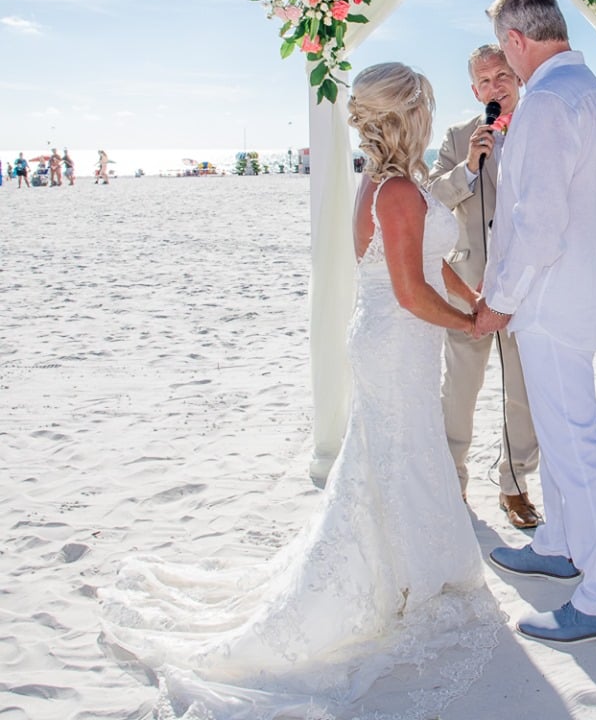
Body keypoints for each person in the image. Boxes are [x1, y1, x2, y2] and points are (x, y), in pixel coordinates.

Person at [100, 62, 500, 719]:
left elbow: (439, 265)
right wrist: (471, 325)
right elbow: (410, 290)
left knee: (399, 458)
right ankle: (401, 578)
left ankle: (412, 568)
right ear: (409, 116)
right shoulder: (393, 189)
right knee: (397, 459)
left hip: (398, 341)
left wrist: (474, 300)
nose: (431, 114)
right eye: (425, 105)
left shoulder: (400, 181)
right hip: (395, 342)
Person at [475, 0, 596, 645]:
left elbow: (537, 224)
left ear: (516, 40)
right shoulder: (593, 92)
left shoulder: (543, 101)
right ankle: (560, 545)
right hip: (578, 294)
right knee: (566, 439)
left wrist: (496, 302)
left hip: (548, 302)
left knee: (574, 452)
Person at [429, 44, 540, 528]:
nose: (496, 87)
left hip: (526, 286)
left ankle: (514, 484)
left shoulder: (541, 128)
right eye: (485, 82)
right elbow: (431, 201)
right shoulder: (457, 137)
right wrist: (468, 167)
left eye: (503, 76)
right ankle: (451, 481)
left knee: (523, 392)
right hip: (468, 285)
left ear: (516, 77)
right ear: (475, 91)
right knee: (460, 389)